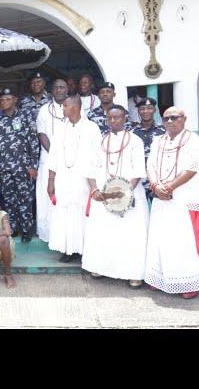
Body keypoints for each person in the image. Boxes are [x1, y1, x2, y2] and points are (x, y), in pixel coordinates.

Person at [145, 107, 199, 299]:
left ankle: (188, 282)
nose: (170, 121)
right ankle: (160, 278)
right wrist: (155, 186)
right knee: (161, 239)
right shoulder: (157, 141)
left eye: (174, 117)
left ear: (184, 119)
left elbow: (191, 169)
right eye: (166, 118)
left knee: (183, 241)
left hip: (184, 199)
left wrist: (168, 187)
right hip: (162, 198)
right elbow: (151, 165)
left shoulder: (194, 141)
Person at [82, 105, 149, 288]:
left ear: (125, 118)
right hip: (103, 195)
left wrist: (125, 193)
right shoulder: (100, 141)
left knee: (130, 235)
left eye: (117, 117)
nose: (113, 121)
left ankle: (134, 273)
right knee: (104, 233)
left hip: (128, 194)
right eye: (110, 118)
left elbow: (137, 171)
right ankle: (101, 267)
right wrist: (94, 189)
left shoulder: (135, 141)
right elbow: (90, 168)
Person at [46, 95, 102, 262]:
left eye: (65, 106)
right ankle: (69, 249)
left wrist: (95, 183)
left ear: (76, 108)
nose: (62, 109)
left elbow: (99, 157)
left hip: (84, 180)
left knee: (82, 213)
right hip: (63, 179)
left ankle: (85, 250)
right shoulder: (60, 128)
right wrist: (50, 181)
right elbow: (53, 156)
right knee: (65, 213)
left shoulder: (92, 128)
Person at [0, 88, 39, 242]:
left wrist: (34, 166)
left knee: (25, 199)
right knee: (9, 199)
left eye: (8, 99)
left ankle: (26, 229)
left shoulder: (26, 116)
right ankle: (12, 228)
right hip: (6, 168)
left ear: (15, 99)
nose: (5, 102)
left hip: (24, 167)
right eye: (2, 100)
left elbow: (34, 142)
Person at [35, 79, 69, 242]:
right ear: (51, 91)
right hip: (48, 159)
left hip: (70, 160)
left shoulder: (74, 107)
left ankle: (66, 235)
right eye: (56, 87)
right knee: (46, 196)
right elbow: (42, 134)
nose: (59, 90)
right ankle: (49, 235)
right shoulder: (43, 110)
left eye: (62, 87)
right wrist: (55, 154)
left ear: (67, 89)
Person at [132, 97, 166, 200]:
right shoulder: (131, 132)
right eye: (142, 108)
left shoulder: (164, 131)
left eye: (149, 108)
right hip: (138, 179)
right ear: (138, 111)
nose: (146, 111)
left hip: (157, 179)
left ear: (155, 110)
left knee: (159, 211)